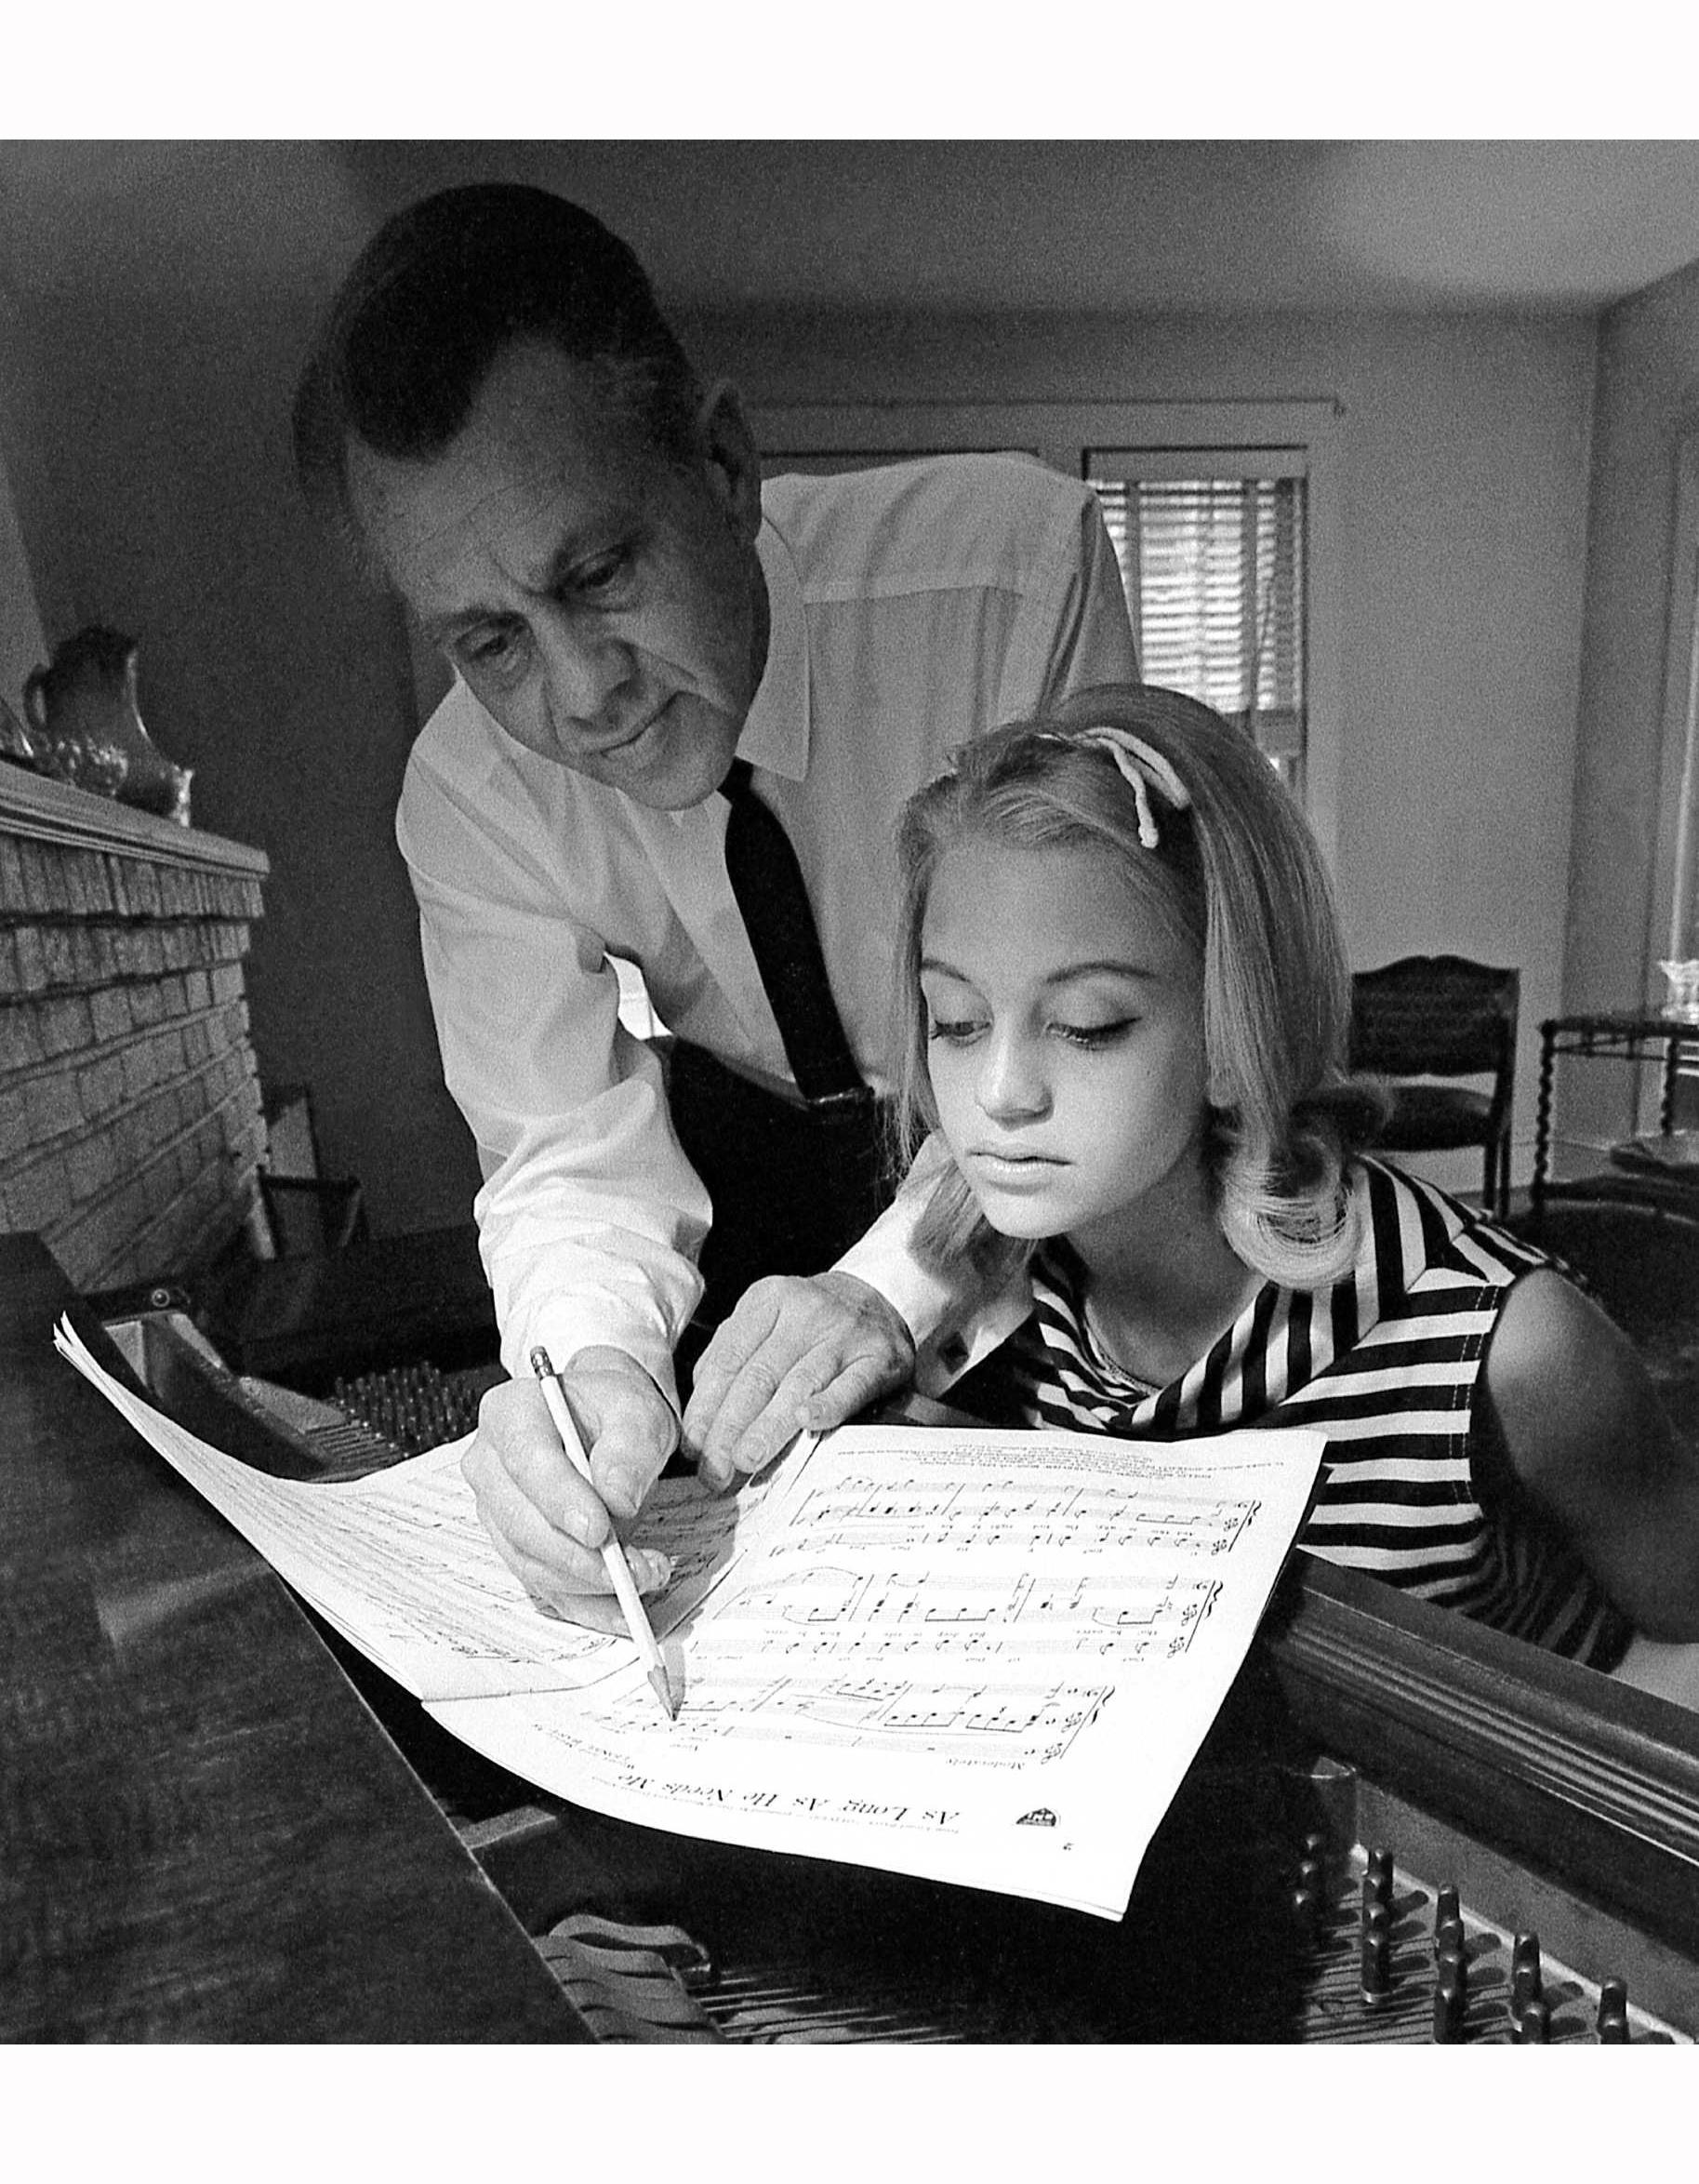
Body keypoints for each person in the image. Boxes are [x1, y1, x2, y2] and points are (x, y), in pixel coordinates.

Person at [290, 182, 1138, 1628]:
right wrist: (586, 1370)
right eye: (489, 639)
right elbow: (565, 1148)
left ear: (726, 467)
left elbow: (1101, 1034)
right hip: (769, 1180)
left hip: (1095, 1208)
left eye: (600, 572)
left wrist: (889, 1293)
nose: (580, 693)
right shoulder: (470, 791)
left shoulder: (1011, 578)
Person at [701, 683, 1699, 1662]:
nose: (999, 1093)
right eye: (957, 1020)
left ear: (1236, 1029)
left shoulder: (1516, 1352)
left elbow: (1682, 1643)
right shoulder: (981, 1309)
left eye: (1090, 1023)